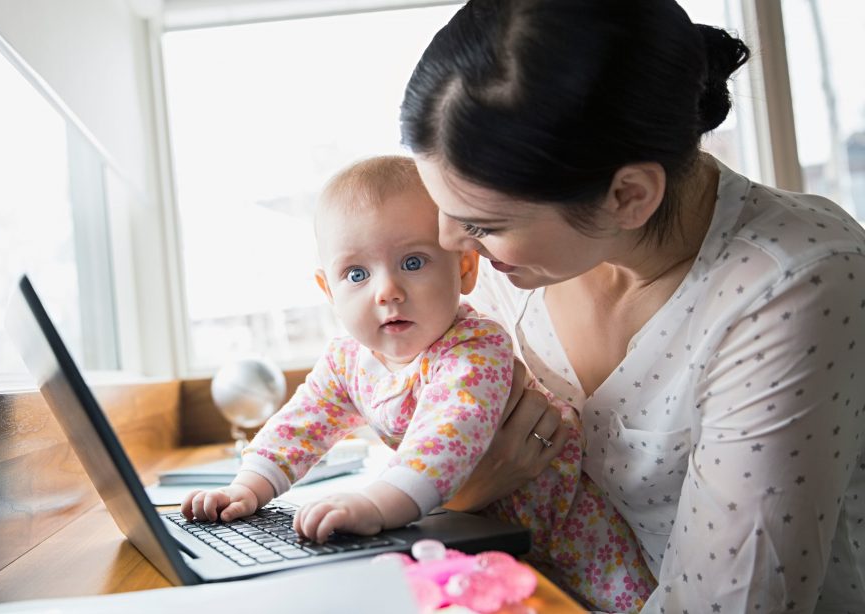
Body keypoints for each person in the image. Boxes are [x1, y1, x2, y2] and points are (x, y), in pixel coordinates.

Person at [399, 0, 865, 612]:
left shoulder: (791, 284)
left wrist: (462, 495)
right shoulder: (519, 267)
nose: (449, 242)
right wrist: (465, 494)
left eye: (481, 224)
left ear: (628, 195)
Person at [181, 155, 655, 610]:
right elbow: (300, 425)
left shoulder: (474, 345)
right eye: (357, 273)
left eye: (413, 262)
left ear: (464, 269)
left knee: (623, 603)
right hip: (476, 532)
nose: (386, 291)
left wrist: (377, 503)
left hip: (570, 527)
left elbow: (448, 433)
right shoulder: (347, 361)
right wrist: (249, 487)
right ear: (329, 291)